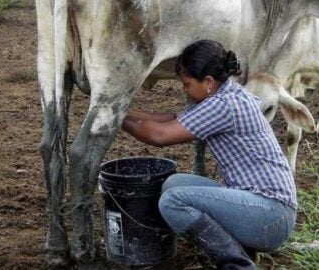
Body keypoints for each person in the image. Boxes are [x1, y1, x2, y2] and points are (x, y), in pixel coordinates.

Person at [121, 39, 297, 270]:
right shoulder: (226, 94)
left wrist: (114, 119)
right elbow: (173, 119)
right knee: (172, 184)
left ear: (208, 82)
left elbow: (159, 136)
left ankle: (238, 264)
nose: (184, 89)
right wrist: (121, 109)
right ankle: (243, 249)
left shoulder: (224, 105)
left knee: (173, 201)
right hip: (263, 206)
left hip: (271, 216)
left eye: (186, 84)